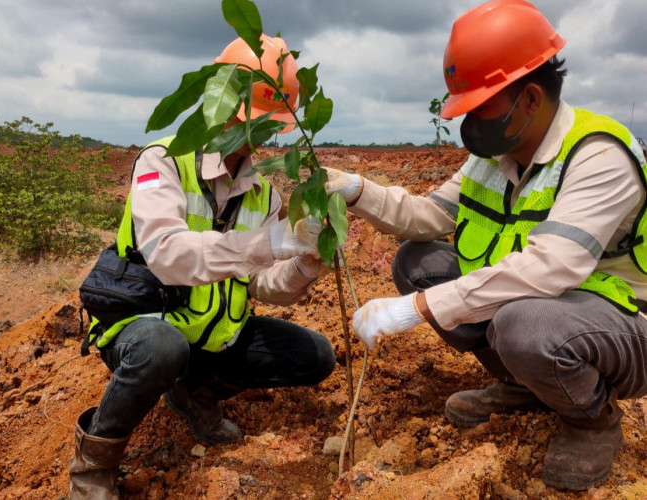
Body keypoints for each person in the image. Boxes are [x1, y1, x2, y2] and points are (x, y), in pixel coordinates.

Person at [324, 0, 647, 492]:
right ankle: (525, 386)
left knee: (523, 324)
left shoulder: (598, 156)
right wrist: (356, 189)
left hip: (624, 326)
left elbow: (548, 269)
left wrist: (419, 308)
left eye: (481, 105)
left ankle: (592, 419)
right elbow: (426, 216)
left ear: (531, 99)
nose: (469, 120)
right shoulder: (494, 159)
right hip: (552, 309)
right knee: (419, 261)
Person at [68, 34, 336, 500]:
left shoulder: (264, 194)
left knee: (316, 356)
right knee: (162, 348)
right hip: (146, 323)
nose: (262, 135)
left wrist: (305, 266)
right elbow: (168, 255)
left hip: (213, 333)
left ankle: (196, 392)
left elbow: (263, 284)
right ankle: (93, 467)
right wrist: (267, 242)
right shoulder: (162, 161)